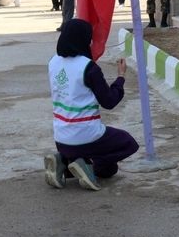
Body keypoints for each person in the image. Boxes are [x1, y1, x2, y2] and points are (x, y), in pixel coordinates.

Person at [45, 19, 139, 191]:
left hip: (61, 137)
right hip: (86, 134)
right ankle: (85, 166)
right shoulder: (88, 67)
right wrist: (120, 77)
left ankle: (64, 162)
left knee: (110, 169)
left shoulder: (53, 62)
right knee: (128, 143)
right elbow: (109, 101)